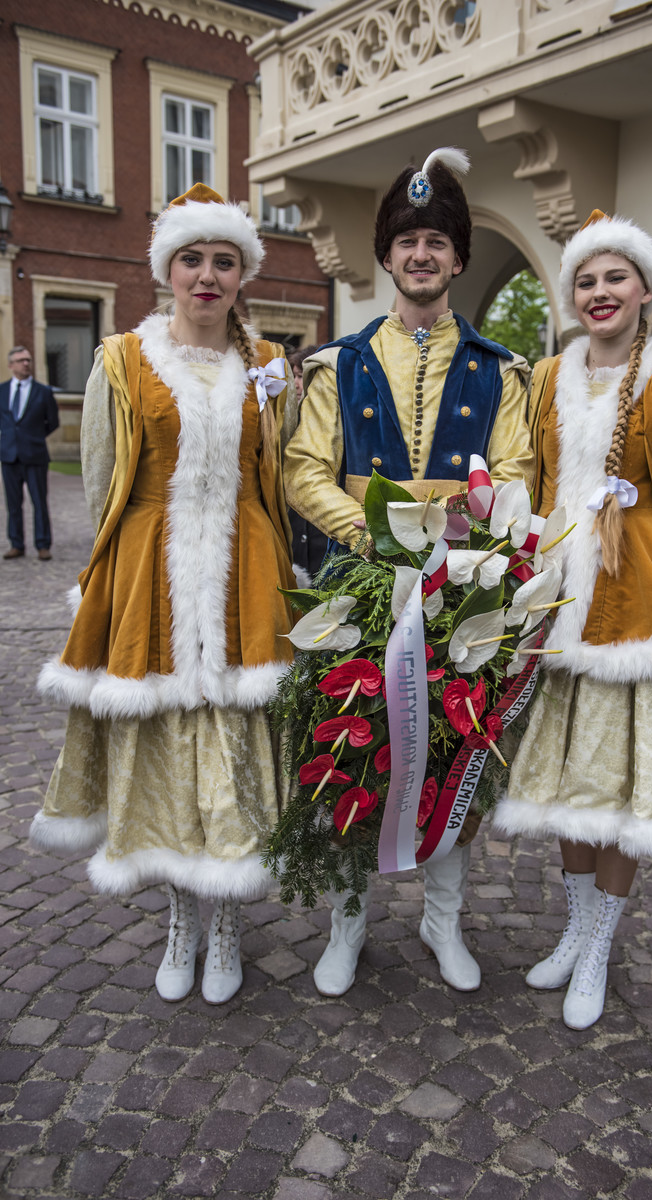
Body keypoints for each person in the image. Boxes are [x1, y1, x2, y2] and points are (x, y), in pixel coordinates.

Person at [30, 183, 297, 1005]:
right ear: (167, 271)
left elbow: (278, 476)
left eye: (223, 261)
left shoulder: (267, 366)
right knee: (164, 753)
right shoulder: (123, 359)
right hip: (153, 571)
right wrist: (111, 581)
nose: (207, 276)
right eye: (192, 260)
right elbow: (103, 480)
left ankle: (228, 922)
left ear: (242, 274)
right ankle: (182, 919)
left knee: (233, 748)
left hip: (246, 575)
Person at [284, 147, 534, 997]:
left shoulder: (500, 370)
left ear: (458, 259)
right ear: (385, 256)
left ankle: (442, 921)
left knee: (455, 755)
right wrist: (367, 535)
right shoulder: (337, 364)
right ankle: (348, 924)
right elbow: (304, 469)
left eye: (436, 242)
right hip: (356, 584)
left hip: (461, 587)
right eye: (406, 241)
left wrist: (465, 536)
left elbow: (514, 471)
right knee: (350, 749)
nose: (420, 255)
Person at [495, 211, 652, 1030]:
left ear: (643, 290)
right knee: (568, 781)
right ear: (572, 295)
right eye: (586, 280)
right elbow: (529, 482)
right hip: (559, 600)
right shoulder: (544, 378)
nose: (599, 292)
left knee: (625, 785)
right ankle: (573, 930)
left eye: (615, 278)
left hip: (638, 605)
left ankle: (599, 944)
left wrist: (642, 544)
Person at [0, 345, 60, 560]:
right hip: (9, 456)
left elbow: (52, 422)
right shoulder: (2, 390)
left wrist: (34, 437)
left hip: (35, 455)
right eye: (20, 360)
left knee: (39, 502)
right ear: (11, 365)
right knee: (13, 504)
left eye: (28, 360)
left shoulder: (43, 392)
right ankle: (16, 544)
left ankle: (43, 545)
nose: (26, 364)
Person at [286, 344, 327, 581]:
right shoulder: (285, 422)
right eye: (294, 376)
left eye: (301, 376)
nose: (295, 383)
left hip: (324, 542)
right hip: (294, 541)